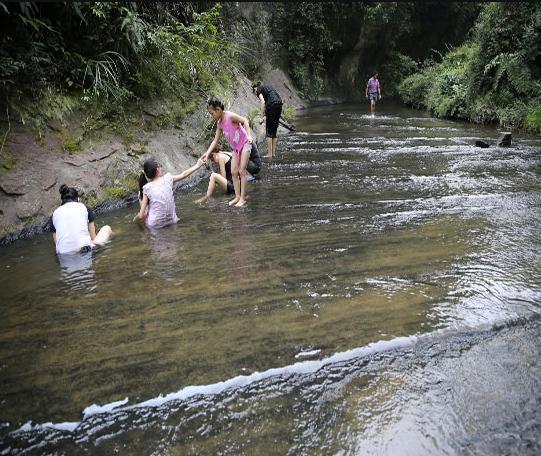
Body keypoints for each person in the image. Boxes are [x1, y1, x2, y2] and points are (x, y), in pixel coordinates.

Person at [202, 96, 254, 207]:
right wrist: (207, 154)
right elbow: (215, 141)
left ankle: (243, 199)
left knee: (241, 170)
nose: (212, 116)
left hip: (245, 144)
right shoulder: (219, 124)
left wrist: (249, 135)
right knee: (234, 172)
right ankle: (237, 196)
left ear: (218, 110)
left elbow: (245, 120)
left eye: (212, 114)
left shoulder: (230, 116)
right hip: (235, 148)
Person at [133, 156, 204, 228]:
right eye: (160, 166)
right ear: (157, 169)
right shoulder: (168, 179)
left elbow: (142, 215)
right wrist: (197, 165)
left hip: (155, 225)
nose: (161, 168)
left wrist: (135, 220)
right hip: (172, 221)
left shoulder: (147, 188)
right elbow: (184, 174)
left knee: (141, 197)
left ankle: (144, 236)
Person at [49, 184, 112, 254]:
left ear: (62, 201)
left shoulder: (54, 215)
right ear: (78, 199)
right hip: (85, 251)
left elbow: (57, 244)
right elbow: (93, 237)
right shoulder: (84, 207)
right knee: (107, 228)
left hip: (64, 256)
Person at [252, 82, 283, 159]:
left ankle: (269, 154)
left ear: (255, 89)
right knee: (274, 131)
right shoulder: (268, 86)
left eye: (255, 94)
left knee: (269, 132)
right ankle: (273, 153)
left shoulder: (258, 90)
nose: (256, 95)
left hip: (271, 105)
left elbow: (262, 102)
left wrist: (261, 117)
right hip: (279, 104)